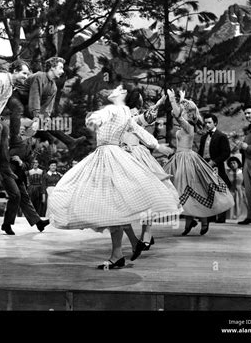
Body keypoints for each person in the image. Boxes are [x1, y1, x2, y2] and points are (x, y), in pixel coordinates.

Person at [47, 84, 180, 269]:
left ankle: (118, 254)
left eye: (117, 89)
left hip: (107, 156)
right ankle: (123, 249)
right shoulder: (125, 112)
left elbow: (102, 118)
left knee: (109, 204)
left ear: (122, 94)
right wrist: (158, 146)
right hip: (114, 155)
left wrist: (93, 120)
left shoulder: (113, 109)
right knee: (115, 206)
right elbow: (139, 130)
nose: (113, 90)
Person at [163, 90, 233, 236]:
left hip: (187, 160)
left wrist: (172, 99)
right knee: (183, 190)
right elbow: (178, 115)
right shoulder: (184, 127)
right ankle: (190, 222)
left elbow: (177, 115)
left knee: (193, 190)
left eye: (185, 112)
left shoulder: (189, 127)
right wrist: (181, 99)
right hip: (179, 158)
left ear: (188, 114)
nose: (181, 114)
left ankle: (203, 220)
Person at [120, 88, 179, 255]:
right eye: (139, 99)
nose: (140, 101)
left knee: (144, 194)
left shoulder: (133, 115)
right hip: (126, 156)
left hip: (135, 155)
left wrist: (160, 103)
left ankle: (146, 233)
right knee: (140, 196)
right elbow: (146, 117)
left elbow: (146, 118)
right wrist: (160, 102)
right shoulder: (128, 115)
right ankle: (144, 234)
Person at [6, 57, 86, 151]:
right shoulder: (39, 76)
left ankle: (69, 141)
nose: (62, 71)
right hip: (17, 97)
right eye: (60, 68)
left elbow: (47, 106)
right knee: (21, 109)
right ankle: (14, 140)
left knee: (45, 123)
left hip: (28, 104)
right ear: (52, 67)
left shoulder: (53, 87)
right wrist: (36, 116)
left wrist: (46, 117)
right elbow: (34, 96)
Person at [0, 144, 50, 236]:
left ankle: (38, 223)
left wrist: (20, 162)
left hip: (19, 176)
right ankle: (7, 224)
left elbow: (29, 165)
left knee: (25, 199)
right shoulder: (6, 143)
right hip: (7, 174)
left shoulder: (26, 147)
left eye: (24, 129)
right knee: (15, 196)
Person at [198, 113, 232, 223]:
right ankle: (210, 216)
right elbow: (201, 152)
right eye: (205, 123)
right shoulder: (204, 137)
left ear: (215, 123)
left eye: (209, 123)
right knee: (207, 190)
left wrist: (214, 161)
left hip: (216, 167)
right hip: (205, 166)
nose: (207, 125)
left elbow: (226, 153)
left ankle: (221, 217)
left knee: (219, 191)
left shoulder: (221, 136)